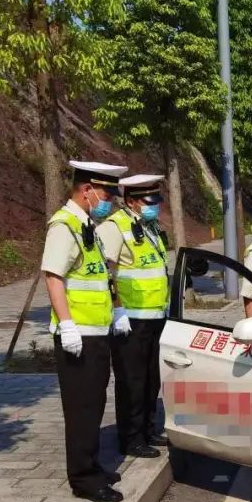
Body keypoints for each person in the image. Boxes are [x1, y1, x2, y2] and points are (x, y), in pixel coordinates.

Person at [42, 160, 129, 502]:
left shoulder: (87, 226)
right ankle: (83, 478)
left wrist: (117, 308)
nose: (109, 200)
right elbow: (53, 277)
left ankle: (92, 465)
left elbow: (101, 276)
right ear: (87, 190)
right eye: (106, 193)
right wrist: (66, 325)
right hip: (78, 335)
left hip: (97, 332)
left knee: (94, 404)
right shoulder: (64, 226)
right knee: (81, 408)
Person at [97, 173, 170, 459]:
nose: (154, 206)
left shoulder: (149, 227)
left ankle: (148, 429)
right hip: (131, 319)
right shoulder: (115, 227)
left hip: (155, 316)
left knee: (152, 378)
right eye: (148, 201)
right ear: (131, 202)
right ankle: (131, 438)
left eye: (156, 201)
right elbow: (107, 271)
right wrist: (117, 310)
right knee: (132, 380)